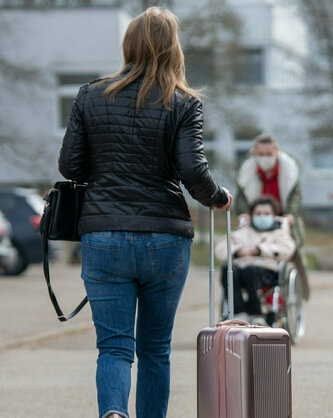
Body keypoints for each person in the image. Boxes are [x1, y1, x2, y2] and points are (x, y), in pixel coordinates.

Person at [57, 7, 232, 418]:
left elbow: (70, 166)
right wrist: (218, 196)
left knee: (114, 347)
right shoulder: (184, 102)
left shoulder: (90, 95)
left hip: (102, 236)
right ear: (174, 47)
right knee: (155, 348)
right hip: (165, 239)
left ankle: (114, 413)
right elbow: (193, 170)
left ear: (129, 44)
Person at [235, 133, 310, 301]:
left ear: (276, 153)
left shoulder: (289, 171)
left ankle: (289, 299)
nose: (265, 158)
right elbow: (241, 198)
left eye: (269, 154)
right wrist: (243, 214)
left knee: (286, 255)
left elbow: (295, 197)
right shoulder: (247, 172)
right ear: (255, 154)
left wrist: (291, 214)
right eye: (261, 154)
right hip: (256, 221)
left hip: (281, 223)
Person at [214, 196, 296, 325]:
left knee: (250, 271)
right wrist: (237, 251)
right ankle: (239, 312)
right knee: (227, 269)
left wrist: (259, 250)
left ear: (274, 216)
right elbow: (221, 247)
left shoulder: (279, 233)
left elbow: (287, 248)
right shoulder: (243, 231)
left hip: (267, 271)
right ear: (252, 216)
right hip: (240, 269)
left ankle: (257, 313)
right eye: (258, 213)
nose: (262, 216)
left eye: (267, 214)